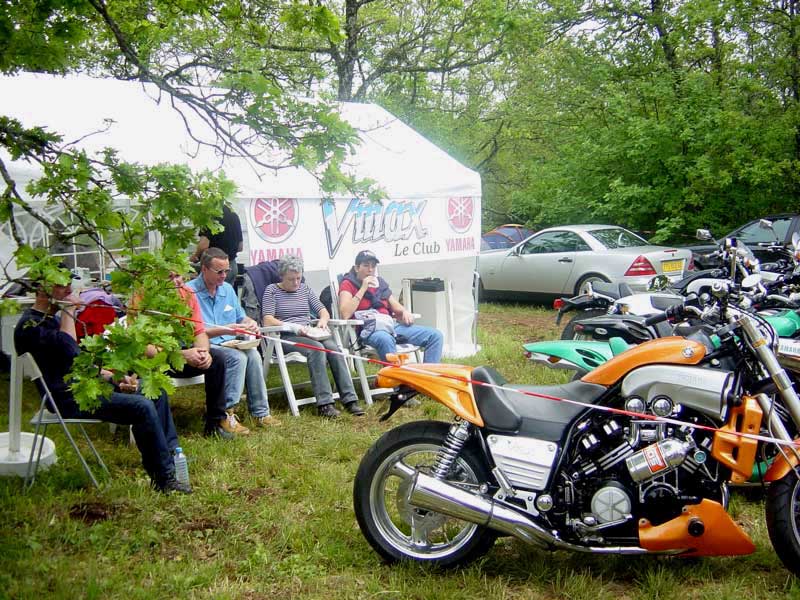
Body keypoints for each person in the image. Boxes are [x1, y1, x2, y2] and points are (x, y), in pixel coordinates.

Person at [14, 275, 191, 494]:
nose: (69, 291)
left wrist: (114, 377)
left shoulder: (49, 320)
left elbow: (79, 364)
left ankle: (172, 454)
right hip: (67, 398)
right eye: (61, 286)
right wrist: (69, 311)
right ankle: (164, 479)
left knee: (154, 391)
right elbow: (70, 352)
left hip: (84, 386)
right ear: (42, 289)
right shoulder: (30, 326)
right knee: (142, 406)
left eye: (69, 285)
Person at [187, 247, 279, 433]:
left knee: (253, 355)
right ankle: (226, 413)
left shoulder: (227, 289)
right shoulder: (189, 292)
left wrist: (250, 322)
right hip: (205, 345)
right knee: (238, 358)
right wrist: (226, 329)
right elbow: (194, 332)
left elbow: (240, 317)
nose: (224, 276)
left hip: (229, 342)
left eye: (227, 271)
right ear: (204, 269)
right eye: (219, 272)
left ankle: (260, 412)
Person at [261, 255, 365, 419]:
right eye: (291, 279)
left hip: (309, 332)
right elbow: (267, 319)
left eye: (298, 278)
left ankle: (350, 400)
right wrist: (294, 328)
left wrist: (322, 321)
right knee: (316, 349)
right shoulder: (272, 291)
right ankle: (325, 404)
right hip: (285, 336)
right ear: (281, 276)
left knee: (334, 349)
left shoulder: (304, 289)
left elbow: (323, 311)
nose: (296, 283)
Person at [143, 273, 234, 439]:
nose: (176, 281)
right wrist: (183, 355)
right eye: (169, 277)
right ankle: (160, 434)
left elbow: (199, 332)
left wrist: (203, 352)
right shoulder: (143, 296)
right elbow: (143, 348)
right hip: (151, 361)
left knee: (218, 358)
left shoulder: (187, 293)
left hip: (181, 354)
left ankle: (215, 425)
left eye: (178, 275)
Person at [338, 250, 444, 363]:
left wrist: (404, 312)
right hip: (369, 330)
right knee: (385, 339)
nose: (370, 269)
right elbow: (345, 313)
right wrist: (363, 288)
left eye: (373, 266)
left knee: (435, 336)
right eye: (366, 265)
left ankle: (428, 373)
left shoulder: (380, 283)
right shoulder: (348, 284)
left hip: (390, 326)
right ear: (356, 268)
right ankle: (394, 374)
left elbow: (395, 305)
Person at [190, 203, 243, 287]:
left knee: (208, 293)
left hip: (215, 269)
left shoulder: (210, 217)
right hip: (232, 267)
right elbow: (240, 247)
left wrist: (195, 256)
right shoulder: (234, 215)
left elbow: (203, 245)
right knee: (226, 294)